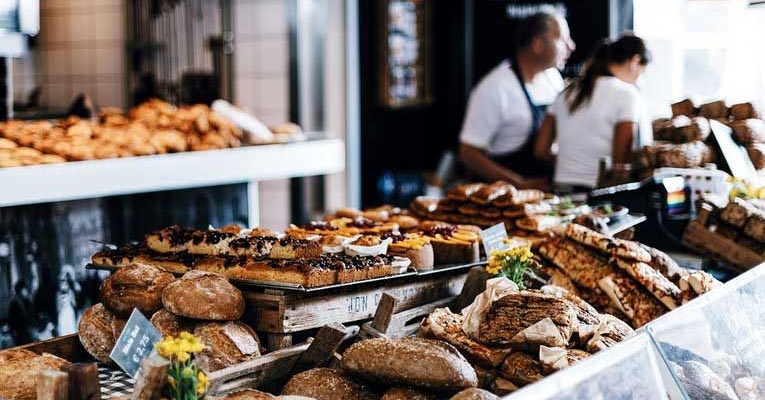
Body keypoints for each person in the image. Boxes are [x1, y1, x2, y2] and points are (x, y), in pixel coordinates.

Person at [458, 8, 575, 189]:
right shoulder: (495, 88)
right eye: (562, 39)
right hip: (503, 199)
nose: (571, 46)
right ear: (538, 44)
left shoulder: (553, 78)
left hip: (546, 194)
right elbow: (468, 154)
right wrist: (519, 184)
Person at [534, 34, 652, 190]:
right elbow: (620, 163)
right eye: (642, 72)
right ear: (635, 61)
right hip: (600, 193)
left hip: (562, 189)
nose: (639, 78)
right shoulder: (627, 94)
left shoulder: (566, 92)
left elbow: (541, 151)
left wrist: (572, 164)